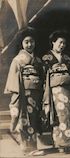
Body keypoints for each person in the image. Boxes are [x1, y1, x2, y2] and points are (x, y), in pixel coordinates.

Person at [4, 27, 44, 155]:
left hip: (36, 93)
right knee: (25, 119)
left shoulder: (37, 60)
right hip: (24, 93)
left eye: (32, 41)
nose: (29, 44)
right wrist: (18, 93)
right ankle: (28, 148)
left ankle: (32, 146)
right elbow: (13, 78)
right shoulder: (18, 60)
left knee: (33, 118)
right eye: (26, 42)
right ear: (22, 43)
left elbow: (42, 77)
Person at [42, 30, 70, 152]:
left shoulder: (66, 58)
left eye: (64, 43)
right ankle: (60, 143)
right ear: (53, 42)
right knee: (57, 115)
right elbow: (44, 75)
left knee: (68, 115)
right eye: (60, 42)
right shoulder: (47, 58)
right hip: (55, 90)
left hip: (68, 89)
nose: (62, 45)